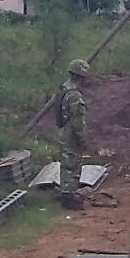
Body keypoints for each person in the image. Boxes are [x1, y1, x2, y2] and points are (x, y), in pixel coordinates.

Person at [56, 59, 92, 210]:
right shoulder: (75, 95)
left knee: (66, 165)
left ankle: (66, 194)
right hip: (71, 135)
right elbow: (78, 122)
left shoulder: (64, 89)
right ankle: (68, 198)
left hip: (63, 132)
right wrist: (84, 140)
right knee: (73, 166)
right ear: (80, 76)